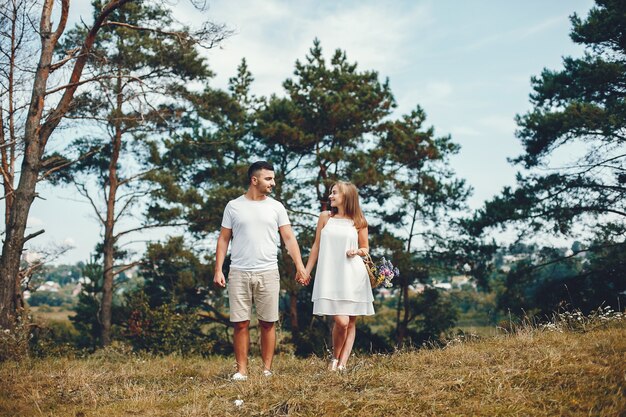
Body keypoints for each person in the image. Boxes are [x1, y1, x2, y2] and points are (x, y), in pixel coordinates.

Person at [214, 161, 309, 381]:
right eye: (268, 179)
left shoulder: (276, 207)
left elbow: (288, 238)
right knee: (240, 323)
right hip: (239, 272)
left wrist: (300, 266)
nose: (273, 183)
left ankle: (266, 369)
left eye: (273, 179)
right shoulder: (233, 206)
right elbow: (223, 239)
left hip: (268, 271)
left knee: (268, 322)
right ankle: (242, 371)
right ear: (254, 180)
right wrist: (218, 269)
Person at [304, 181, 374, 371]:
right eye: (331, 192)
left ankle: (341, 364)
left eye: (335, 193)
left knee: (350, 321)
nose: (331, 196)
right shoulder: (325, 217)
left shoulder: (359, 221)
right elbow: (316, 246)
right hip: (330, 275)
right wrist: (306, 270)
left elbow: (366, 248)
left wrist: (357, 251)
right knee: (341, 321)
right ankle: (335, 357)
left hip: (353, 274)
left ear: (347, 196)